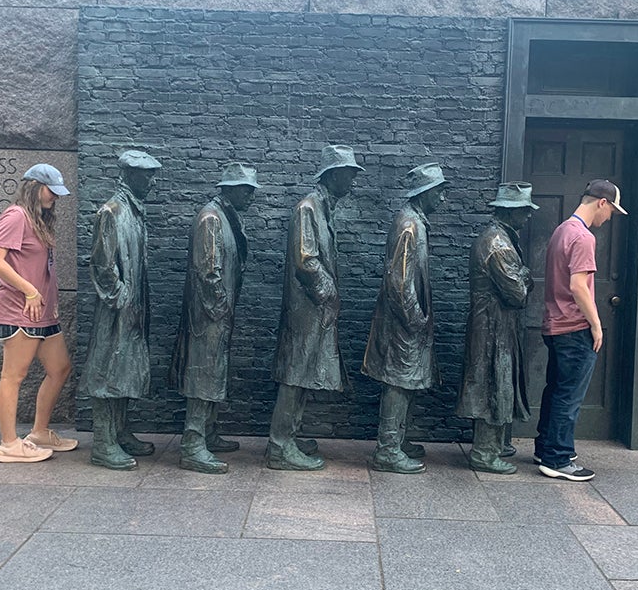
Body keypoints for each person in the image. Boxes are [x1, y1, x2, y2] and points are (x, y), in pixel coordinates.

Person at [267, 144, 364, 471]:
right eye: (349, 174)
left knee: (304, 374)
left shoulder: (323, 208)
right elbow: (306, 261)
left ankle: (289, 435)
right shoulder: (308, 208)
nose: (353, 180)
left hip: (314, 310)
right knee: (295, 375)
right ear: (334, 174)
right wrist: (330, 294)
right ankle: (279, 447)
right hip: (306, 310)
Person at [169, 162, 259, 474]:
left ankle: (208, 431)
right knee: (203, 375)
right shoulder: (211, 218)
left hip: (217, 314)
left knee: (213, 373)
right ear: (230, 189)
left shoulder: (225, 216)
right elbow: (209, 272)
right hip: (209, 315)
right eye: (246, 190)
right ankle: (193, 444)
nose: (251, 196)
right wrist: (220, 307)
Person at [535, 178, 628, 481]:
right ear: (602, 202)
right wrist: (597, 325)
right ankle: (558, 458)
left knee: (556, 390)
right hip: (574, 328)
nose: (609, 217)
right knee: (569, 396)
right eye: (611, 211)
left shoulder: (561, 230)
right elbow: (578, 286)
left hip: (554, 325)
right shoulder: (583, 238)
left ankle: (546, 447)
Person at [0, 163, 76, 463]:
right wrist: (30, 290)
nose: (55, 198)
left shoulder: (38, 220)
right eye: (52, 191)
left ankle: (38, 432)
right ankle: (9, 444)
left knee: (60, 368)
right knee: (13, 375)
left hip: (44, 313)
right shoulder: (16, 216)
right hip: (19, 310)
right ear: (35, 187)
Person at [362, 162, 448, 474]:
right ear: (424, 193)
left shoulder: (415, 221)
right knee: (398, 382)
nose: (441, 199)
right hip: (403, 323)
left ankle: (397, 439)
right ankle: (387, 449)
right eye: (438, 192)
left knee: (406, 381)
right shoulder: (409, 225)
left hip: (408, 321)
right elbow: (398, 280)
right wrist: (414, 319)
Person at [80, 148, 162, 470]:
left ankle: (120, 431)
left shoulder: (134, 211)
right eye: (147, 176)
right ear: (130, 176)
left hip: (132, 309)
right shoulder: (113, 211)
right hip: (116, 311)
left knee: (124, 370)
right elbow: (102, 263)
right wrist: (121, 296)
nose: (152, 182)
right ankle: (103, 442)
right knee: (107, 372)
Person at [456, 182, 537, 474]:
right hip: (492, 326)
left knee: (501, 382)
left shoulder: (503, 237)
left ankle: (496, 444)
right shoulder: (497, 244)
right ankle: (484, 453)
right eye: (524, 211)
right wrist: (526, 276)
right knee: (492, 382)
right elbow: (517, 293)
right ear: (509, 211)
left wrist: (522, 277)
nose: (528, 216)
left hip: (499, 324)